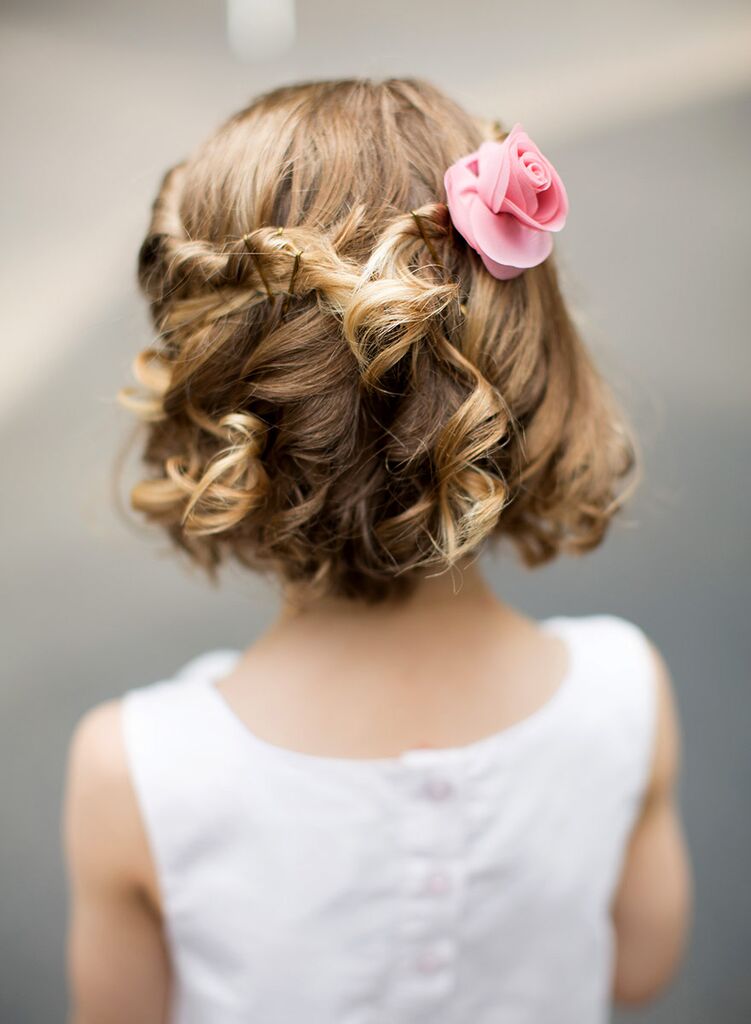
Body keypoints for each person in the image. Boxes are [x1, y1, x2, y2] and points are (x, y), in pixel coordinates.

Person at [62, 78, 692, 1024]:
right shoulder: (625, 696)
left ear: (211, 414)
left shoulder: (137, 773)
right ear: (532, 363)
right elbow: (640, 966)